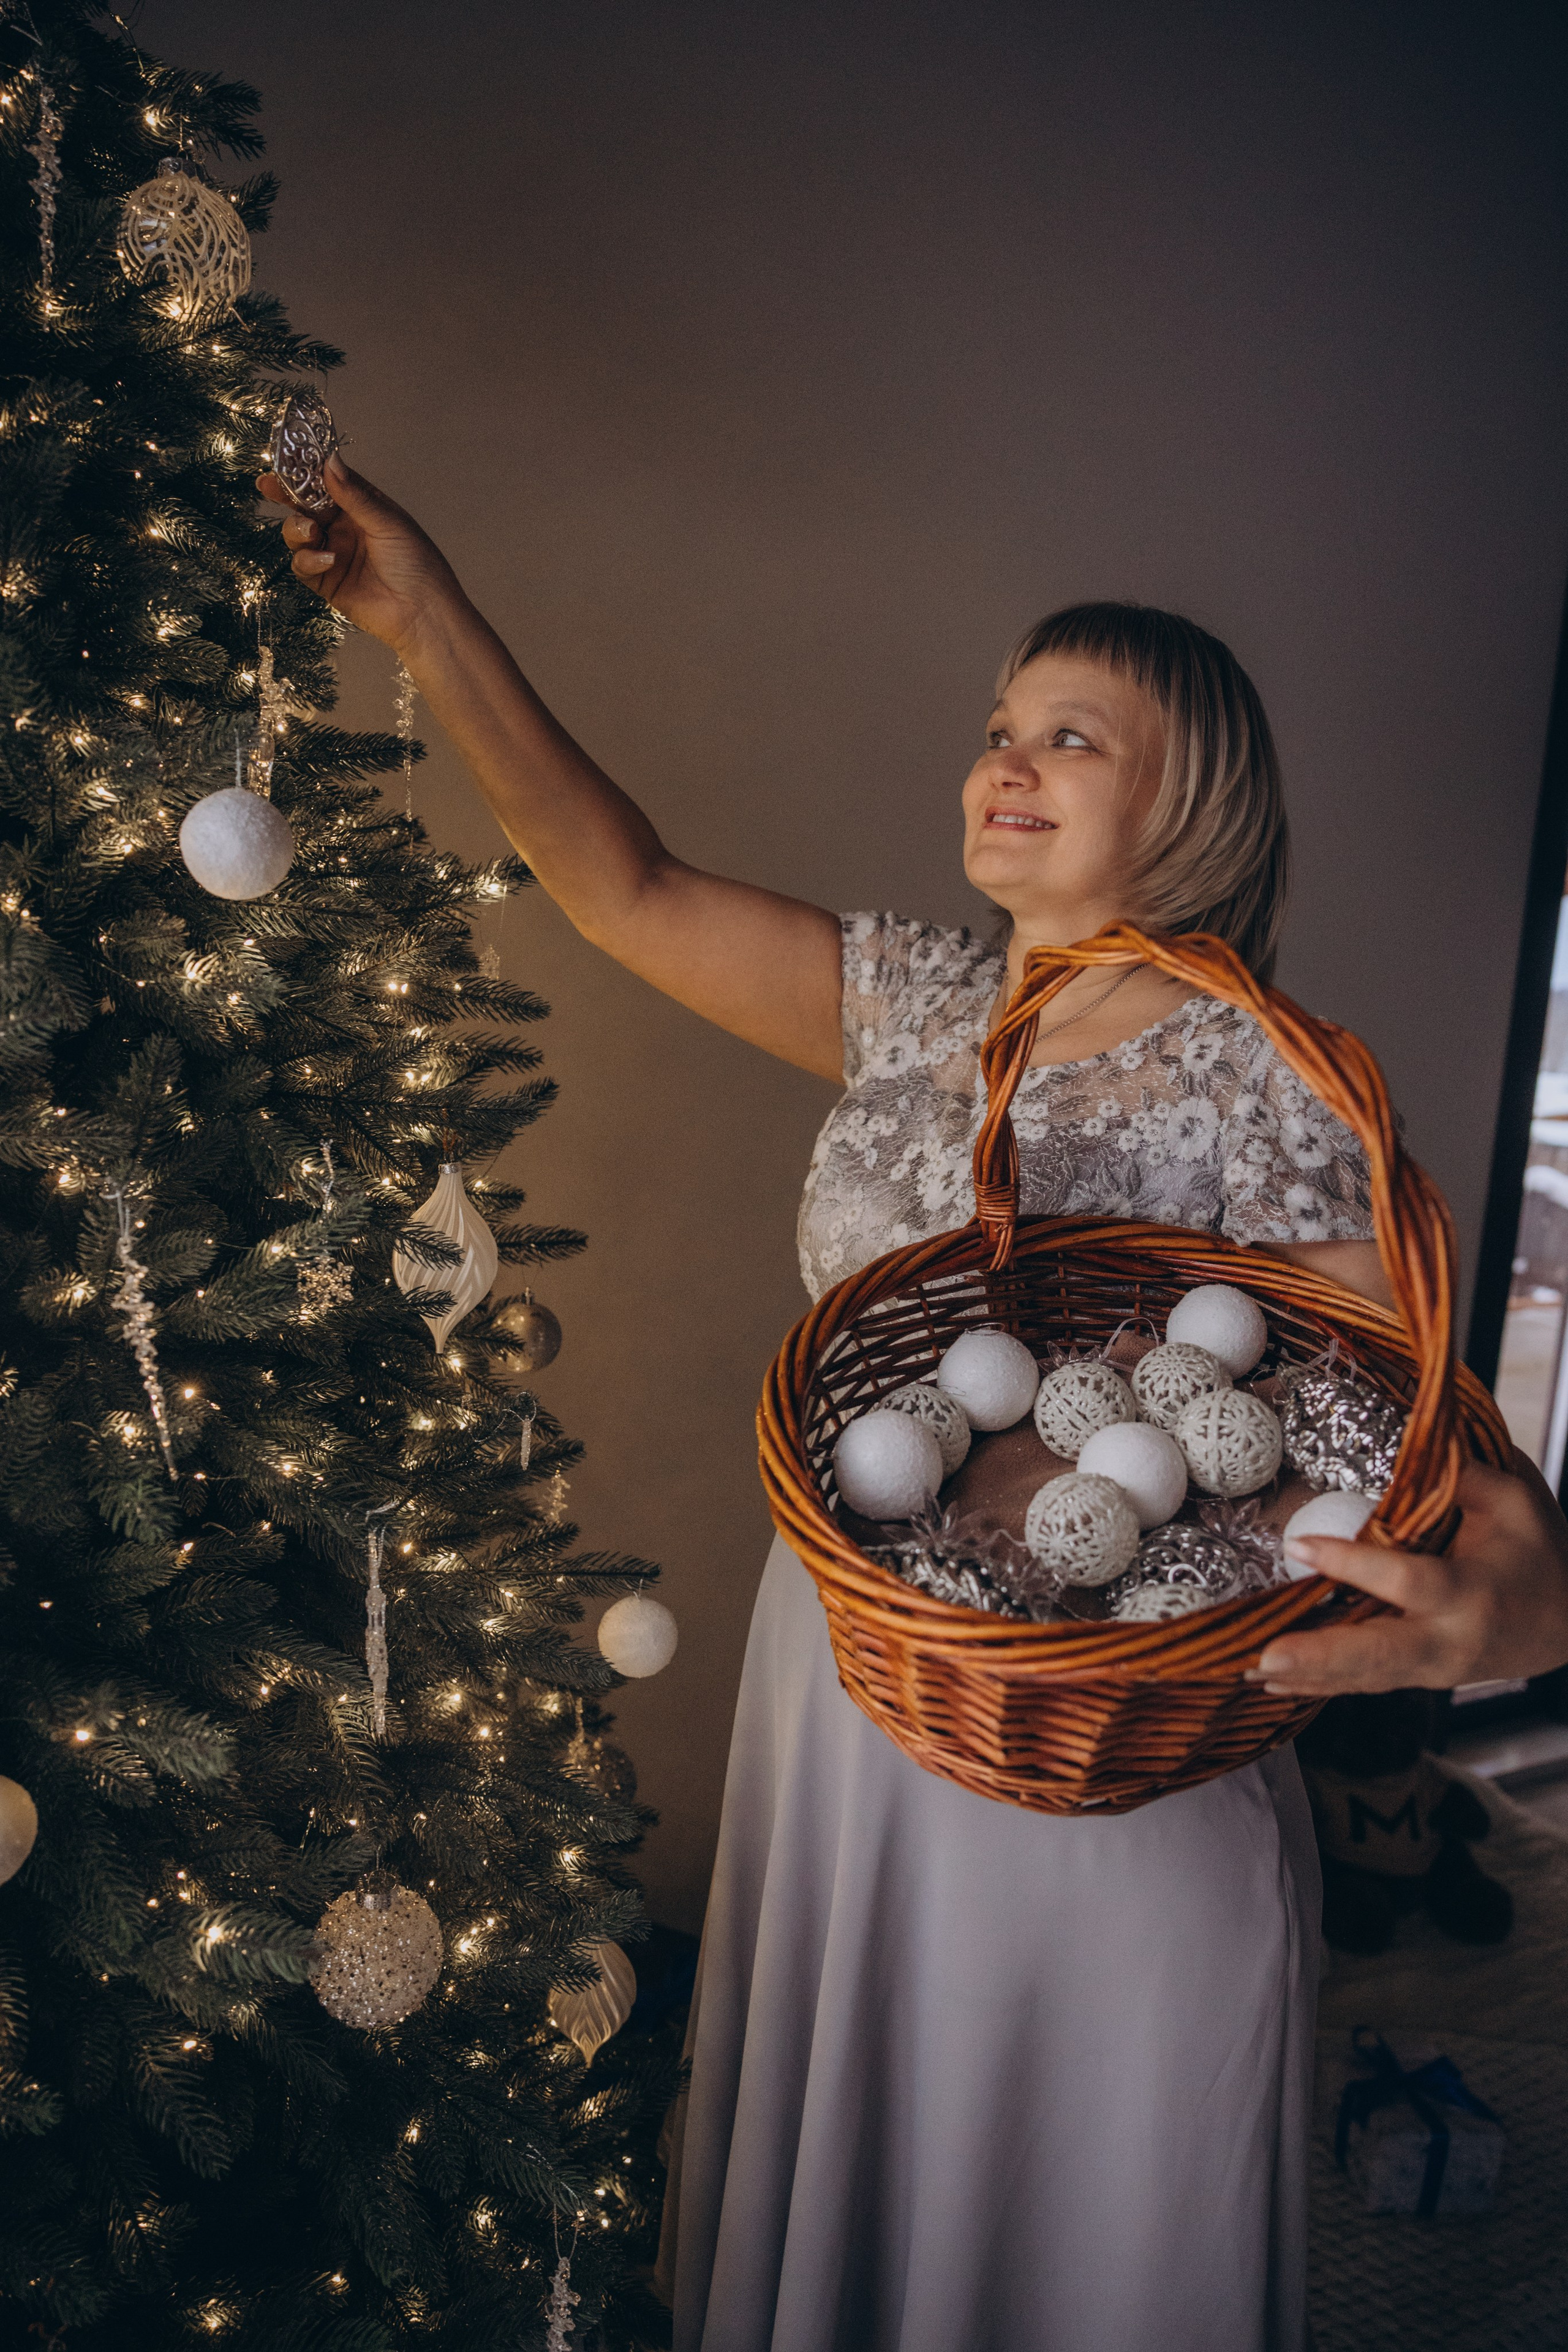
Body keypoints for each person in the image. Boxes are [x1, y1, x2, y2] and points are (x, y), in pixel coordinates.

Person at [265, 455, 1568, 2352]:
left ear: (1194, 801)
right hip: (859, 1674)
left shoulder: (1276, 1092)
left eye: (1072, 734)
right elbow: (620, 883)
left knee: (1082, 2221)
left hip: (1112, 1738)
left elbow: (1490, 1482)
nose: (1005, 758)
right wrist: (427, 611)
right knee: (860, 2177)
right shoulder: (919, 998)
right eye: (996, 725)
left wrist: (1503, 1609)